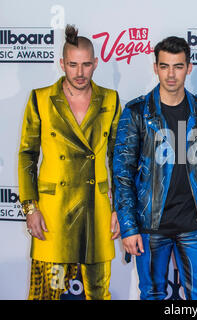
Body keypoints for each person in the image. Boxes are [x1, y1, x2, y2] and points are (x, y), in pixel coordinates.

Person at [18, 25, 121, 300]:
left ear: (96, 63)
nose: (80, 72)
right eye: (73, 64)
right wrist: (30, 208)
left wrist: (119, 208)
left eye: (86, 64)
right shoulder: (40, 99)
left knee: (99, 293)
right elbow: (27, 155)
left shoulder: (110, 99)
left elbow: (118, 159)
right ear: (62, 63)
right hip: (54, 214)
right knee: (49, 293)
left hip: (96, 211)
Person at [113, 36, 197, 300]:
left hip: (194, 224)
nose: (171, 74)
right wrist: (129, 227)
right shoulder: (136, 111)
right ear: (155, 67)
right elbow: (122, 173)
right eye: (164, 66)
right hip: (150, 227)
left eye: (178, 66)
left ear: (189, 67)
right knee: (151, 294)